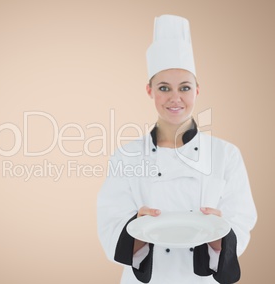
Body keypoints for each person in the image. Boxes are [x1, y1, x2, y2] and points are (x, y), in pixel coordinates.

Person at [97, 14, 257, 284]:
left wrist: (220, 234)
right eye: (163, 88)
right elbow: (110, 225)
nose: (175, 98)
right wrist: (136, 226)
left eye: (185, 87)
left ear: (197, 90)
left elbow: (241, 221)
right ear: (149, 91)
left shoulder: (225, 154)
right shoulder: (126, 156)